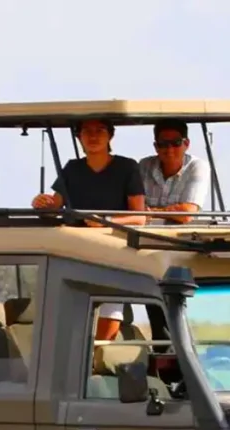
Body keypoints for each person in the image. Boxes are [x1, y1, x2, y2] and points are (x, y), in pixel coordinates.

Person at [31, 118, 146, 340]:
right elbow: (56, 204)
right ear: (79, 137)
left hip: (113, 248)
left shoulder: (127, 167)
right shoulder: (72, 168)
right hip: (75, 250)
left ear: (110, 135)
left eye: (100, 130)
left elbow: (140, 217)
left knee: (111, 304)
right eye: (87, 132)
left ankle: (97, 356)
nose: (93, 137)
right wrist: (42, 203)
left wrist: (106, 221)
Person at [138, 120, 212, 224]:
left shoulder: (197, 166)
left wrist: (151, 211)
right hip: (141, 235)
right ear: (156, 147)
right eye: (163, 144)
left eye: (176, 143)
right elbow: (134, 208)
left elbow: (187, 214)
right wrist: (173, 212)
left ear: (186, 144)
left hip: (182, 237)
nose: (170, 149)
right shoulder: (144, 166)